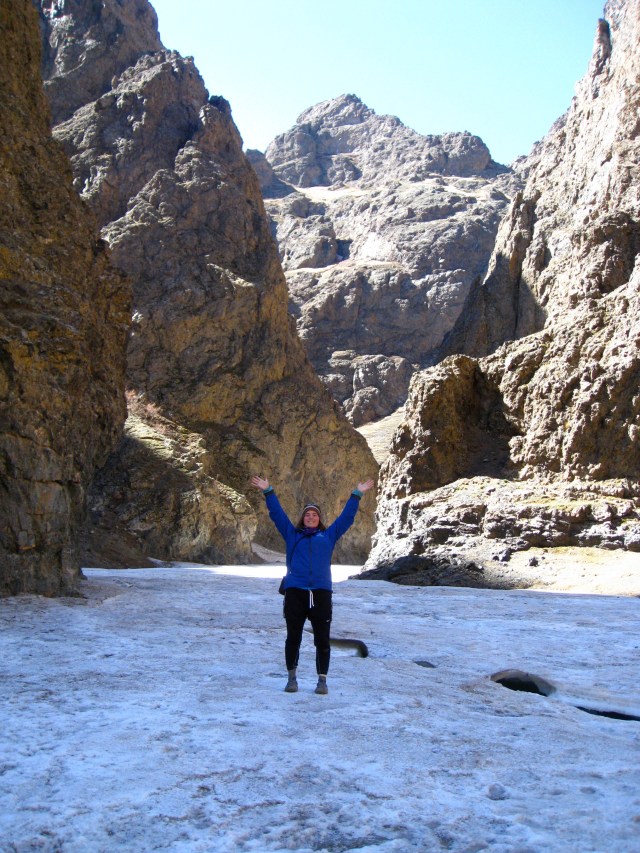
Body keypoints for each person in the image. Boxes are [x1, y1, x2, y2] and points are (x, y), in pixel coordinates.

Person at [250, 474, 374, 695]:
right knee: (293, 638)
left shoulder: (328, 536)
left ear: (319, 519)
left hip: (321, 592)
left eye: (314, 514)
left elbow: (346, 518)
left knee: (322, 640)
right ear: (302, 518)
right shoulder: (292, 535)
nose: (310, 517)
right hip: (295, 591)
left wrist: (357, 494)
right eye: (307, 514)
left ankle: (322, 681)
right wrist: (268, 491)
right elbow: (277, 515)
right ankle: (292, 679)